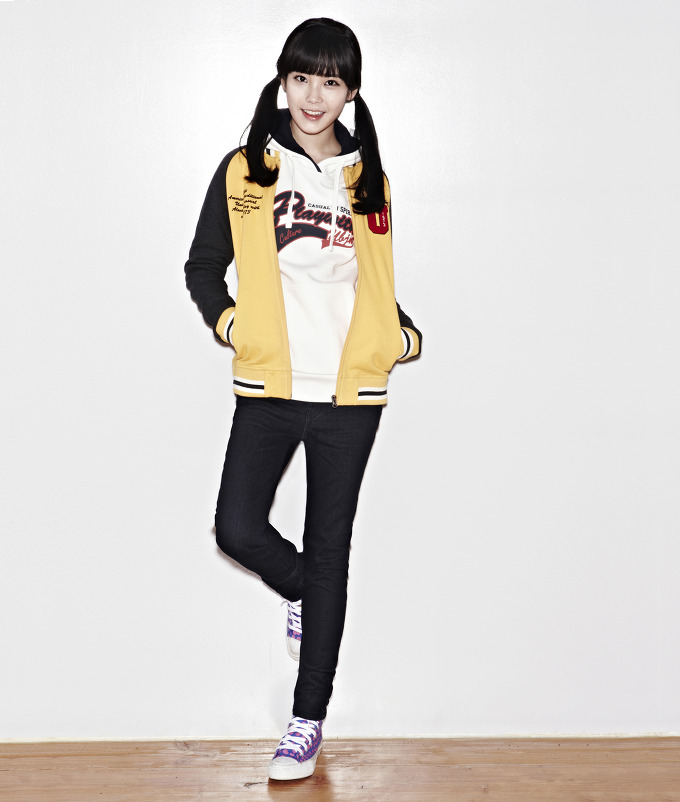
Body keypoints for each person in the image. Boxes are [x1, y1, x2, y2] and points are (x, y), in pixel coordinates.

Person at [184, 17, 421, 781]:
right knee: (237, 527)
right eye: (301, 78)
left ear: (351, 92)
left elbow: (372, 283)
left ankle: (306, 721)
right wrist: (231, 324)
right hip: (272, 384)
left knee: (331, 551)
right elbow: (202, 265)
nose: (314, 96)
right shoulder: (246, 170)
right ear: (282, 82)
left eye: (331, 81)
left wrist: (400, 335)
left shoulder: (370, 180)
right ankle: (300, 591)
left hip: (353, 394)